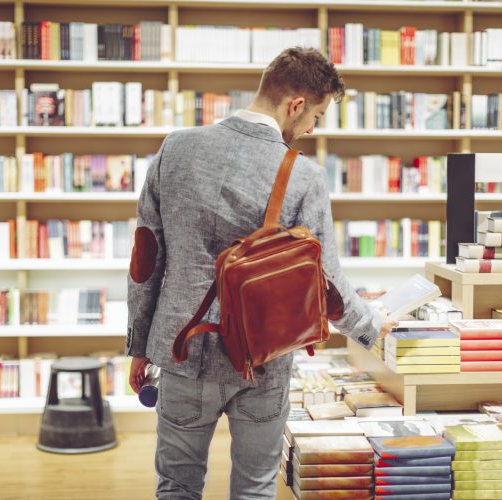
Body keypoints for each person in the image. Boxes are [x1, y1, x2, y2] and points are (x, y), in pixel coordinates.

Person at [126, 47, 398, 499]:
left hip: (179, 350)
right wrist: (370, 325)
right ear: (295, 105)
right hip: (262, 358)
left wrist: (139, 344)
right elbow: (325, 284)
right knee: (254, 489)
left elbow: (146, 260)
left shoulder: (175, 148)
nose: (313, 128)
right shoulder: (304, 175)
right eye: (317, 115)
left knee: (176, 486)